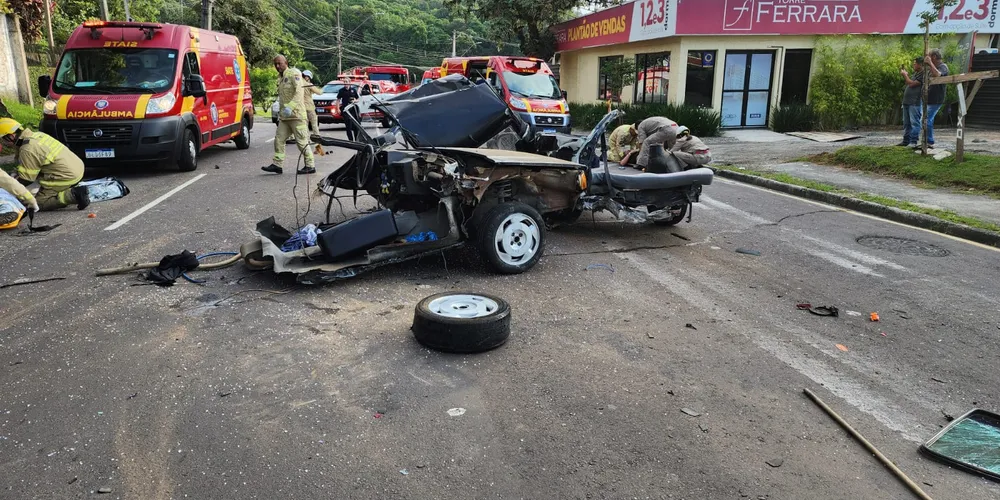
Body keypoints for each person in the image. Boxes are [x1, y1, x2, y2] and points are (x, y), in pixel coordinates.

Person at [0, 118, 89, 211]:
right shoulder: (38, 135)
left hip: (66, 176)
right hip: (77, 168)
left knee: (37, 203)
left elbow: (26, 179)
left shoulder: (27, 149)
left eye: (2, 140)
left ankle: (73, 195)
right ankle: (69, 187)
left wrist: (6, 185)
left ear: (11, 136)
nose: (3, 144)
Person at [263, 55, 314, 175]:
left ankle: (310, 166)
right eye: (275, 64)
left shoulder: (294, 73)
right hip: (285, 117)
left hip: (297, 116)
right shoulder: (280, 78)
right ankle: (277, 165)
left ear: (286, 62)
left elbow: (299, 92)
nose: (277, 66)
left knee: (301, 142)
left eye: (279, 63)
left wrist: (290, 107)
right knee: (279, 139)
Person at [922, 48, 950, 150]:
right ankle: (927, 140)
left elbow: (938, 75)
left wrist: (930, 63)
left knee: (927, 119)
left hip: (936, 99)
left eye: (929, 57)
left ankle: (929, 141)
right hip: (929, 98)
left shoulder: (943, 66)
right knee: (927, 119)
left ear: (933, 57)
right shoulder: (931, 68)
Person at [899, 57, 924, 148]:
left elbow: (912, 84)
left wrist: (905, 75)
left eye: (915, 63)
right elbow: (908, 83)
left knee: (914, 123)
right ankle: (906, 141)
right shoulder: (916, 73)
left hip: (914, 102)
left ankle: (913, 142)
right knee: (906, 123)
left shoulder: (923, 74)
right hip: (907, 102)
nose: (913, 65)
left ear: (920, 64)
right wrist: (906, 76)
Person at [301, 70, 323, 141]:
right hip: (310, 107)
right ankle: (317, 139)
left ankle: (306, 141)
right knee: (314, 124)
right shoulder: (309, 84)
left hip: (302, 107)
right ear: (307, 77)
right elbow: (319, 92)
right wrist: (321, 88)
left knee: (305, 125)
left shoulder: (299, 84)